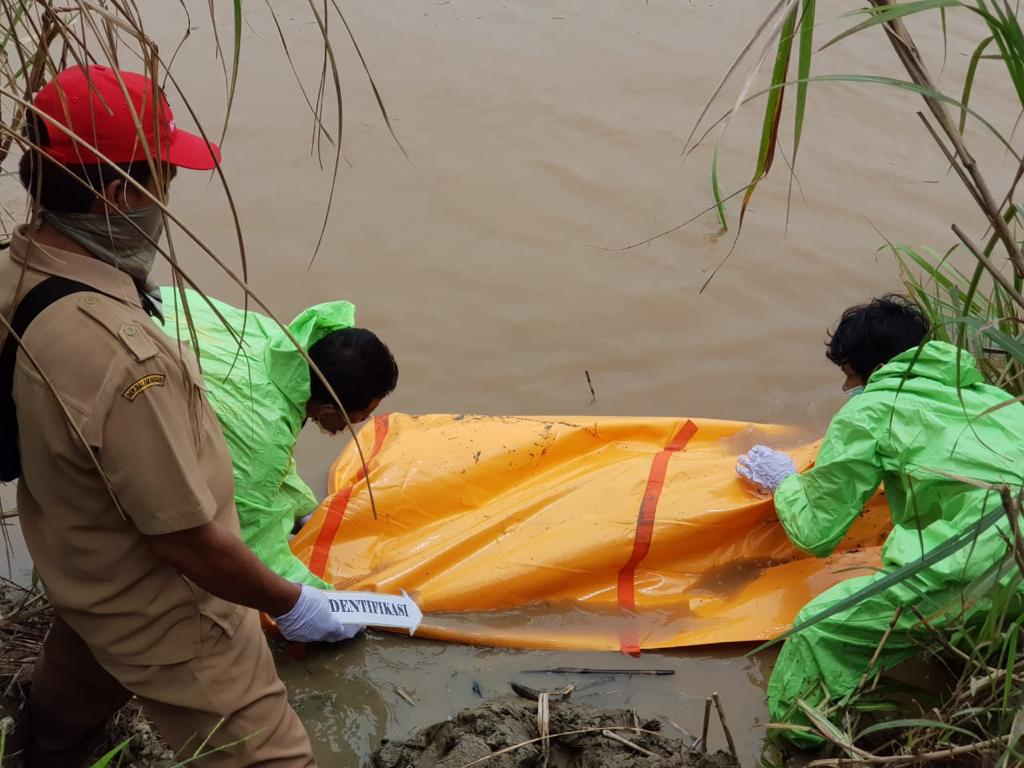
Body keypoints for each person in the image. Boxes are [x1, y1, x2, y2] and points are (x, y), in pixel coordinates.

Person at [1, 64, 357, 767]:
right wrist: (292, 602)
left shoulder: (17, 271)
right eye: (165, 176)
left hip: (83, 570)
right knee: (272, 757)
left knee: (61, 720)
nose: (168, 195)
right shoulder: (128, 357)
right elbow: (188, 543)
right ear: (118, 193)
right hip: (168, 609)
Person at [736, 295, 1024, 744]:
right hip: (1012, 556)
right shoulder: (990, 396)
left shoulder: (870, 410)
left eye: (849, 372)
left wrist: (786, 482)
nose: (847, 386)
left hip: (989, 554)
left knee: (820, 630)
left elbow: (817, 532)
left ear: (870, 366)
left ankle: (795, 741)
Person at [159, 286, 398, 587]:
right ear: (327, 409)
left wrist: (304, 508)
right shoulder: (261, 433)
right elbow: (253, 547)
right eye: (362, 414)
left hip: (155, 308)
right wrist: (327, 599)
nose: (363, 422)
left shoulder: (282, 343)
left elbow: (269, 462)